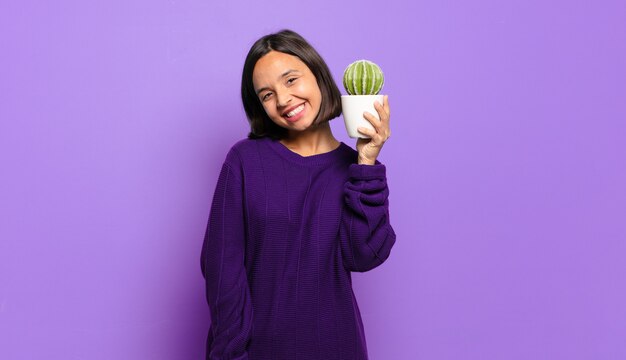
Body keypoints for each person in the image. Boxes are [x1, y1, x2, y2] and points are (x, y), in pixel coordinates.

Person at [200, 29, 396, 360]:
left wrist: (367, 159)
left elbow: (365, 256)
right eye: (266, 94)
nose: (283, 99)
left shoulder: (355, 168)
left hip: (338, 346)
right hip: (260, 350)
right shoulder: (245, 161)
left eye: (291, 80)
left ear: (317, 74)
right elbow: (222, 270)